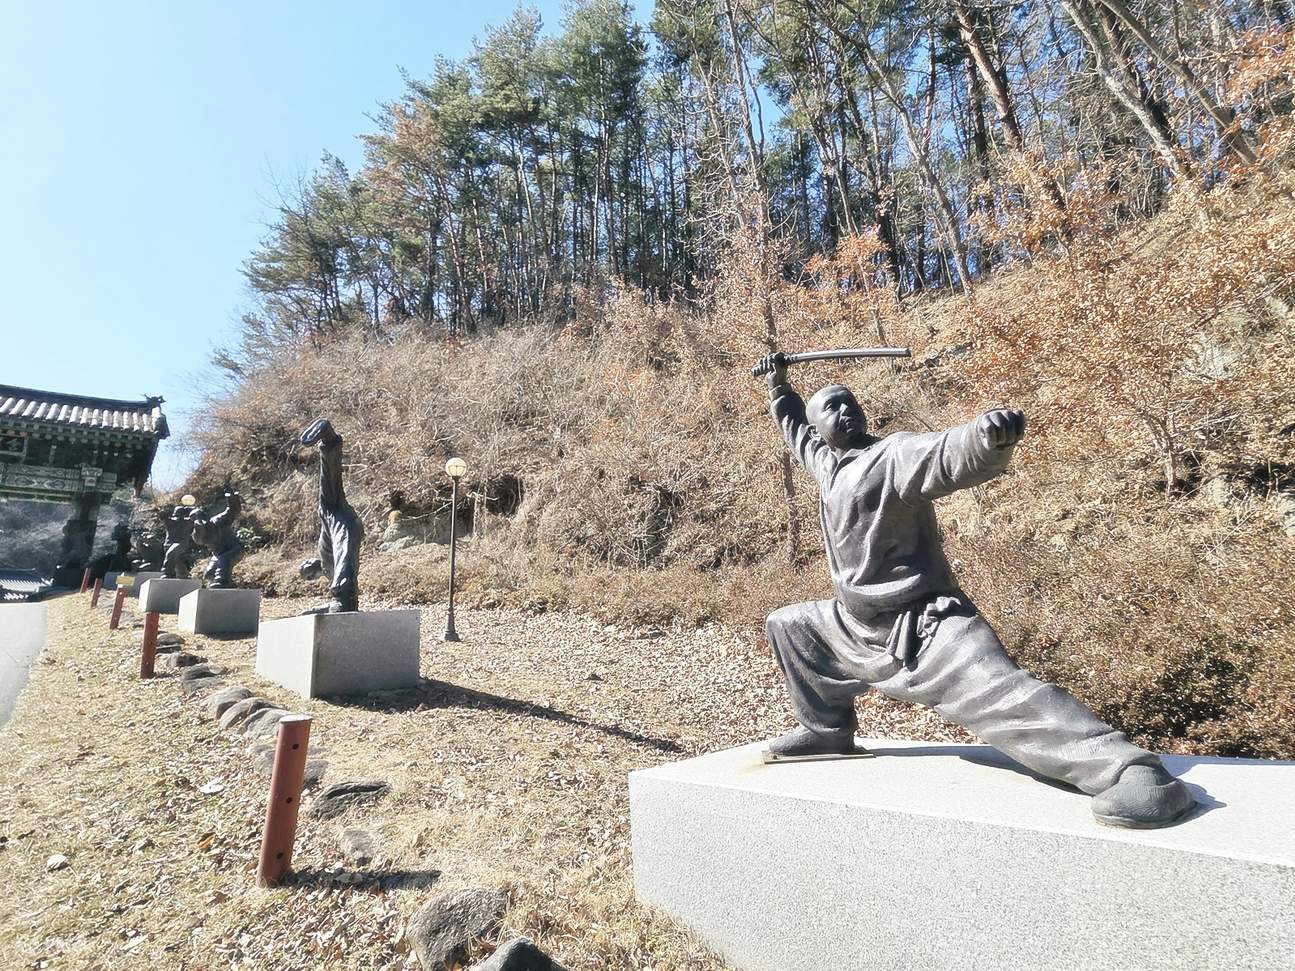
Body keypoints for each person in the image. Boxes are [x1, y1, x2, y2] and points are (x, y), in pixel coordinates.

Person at [753, 351, 1195, 829]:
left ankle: (1131, 770)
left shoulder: (893, 454)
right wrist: (779, 387)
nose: (847, 411)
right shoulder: (827, 466)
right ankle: (827, 732)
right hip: (855, 624)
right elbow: (794, 428)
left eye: (850, 402)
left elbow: (944, 454)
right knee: (792, 625)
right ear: (820, 429)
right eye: (833, 409)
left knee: (1000, 694)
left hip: (921, 621)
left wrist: (985, 439)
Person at [298, 418, 362, 613]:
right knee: (330, 499)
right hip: (343, 525)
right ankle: (343, 602)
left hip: (335, 522)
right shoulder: (329, 567)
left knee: (328, 497)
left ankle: (329, 441)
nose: (308, 565)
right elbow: (346, 557)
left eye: (305, 565)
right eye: (308, 573)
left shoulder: (325, 559)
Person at [192, 490, 245, 588]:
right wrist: (199, 529)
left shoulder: (218, 520)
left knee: (224, 561)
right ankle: (229, 586)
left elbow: (232, 511)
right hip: (218, 554)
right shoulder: (198, 534)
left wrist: (232, 499)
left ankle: (222, 582)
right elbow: (199, 541)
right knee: (209, 574)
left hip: (235, 549)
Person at [161, 496, 198, 578]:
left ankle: (166, 573)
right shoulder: (171, 521)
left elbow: (195, 516)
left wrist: (190, 509)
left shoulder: (187, 522)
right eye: (176, 515)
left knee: (171, 554)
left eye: (179, 514)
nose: (177, 517)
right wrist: (162, 512)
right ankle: (183, 573)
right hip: (168, 544)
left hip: (181, 543)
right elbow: (163, 517)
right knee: (176, 560)